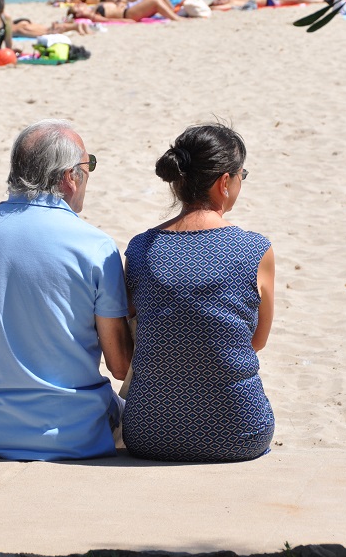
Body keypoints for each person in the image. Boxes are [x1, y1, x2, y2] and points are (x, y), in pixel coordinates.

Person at [0, 119, 133, 460]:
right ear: (70, 176)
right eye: (89, 167)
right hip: (74, 435)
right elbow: (119, 365)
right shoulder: (95, 245)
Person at [122, 123, 275, 463]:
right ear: (225, 182)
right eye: (241, 175)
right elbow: (257, 340)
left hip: (149, 432)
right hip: (239, 431)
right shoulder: (255, 249)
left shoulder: (140, 248)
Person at [69, 0, 181, 23]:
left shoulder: (92, 10)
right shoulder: (92, 15)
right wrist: (127, 21)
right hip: (129, 14)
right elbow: (108, 21)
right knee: (156, 0)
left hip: (128, 10)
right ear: (78, 14)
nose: (80, 4)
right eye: (78, 7)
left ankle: (176, 15)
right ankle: (177, 19)